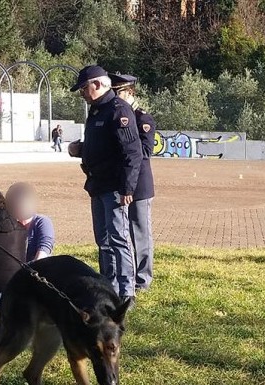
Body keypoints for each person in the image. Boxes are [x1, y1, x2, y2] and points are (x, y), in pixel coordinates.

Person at [67, 65, 143, 302]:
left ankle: (126, 292)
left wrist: (127, 189)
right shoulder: (97, 110)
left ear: (97, 85)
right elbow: (103, 147)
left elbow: (132, 153)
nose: (82, 94)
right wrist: (80, 150)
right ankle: (107, 289)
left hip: (114, 188)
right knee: (103, 241)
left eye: (84, 88)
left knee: (119, 239)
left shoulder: (118, 110)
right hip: (97, 185)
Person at [110, 73, 155, 291]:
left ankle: (143, 279)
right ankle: (124, 275)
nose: (115, 97)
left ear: (130, 92)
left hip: (139, 184)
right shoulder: (115, 115)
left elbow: (145, 152)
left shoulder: (142, 118)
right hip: (119, 182)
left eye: (118, 93)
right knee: (121, 232)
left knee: (140, 232)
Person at [5, 182, 55, 262]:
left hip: (37, 270)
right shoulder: (8, 224)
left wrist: (30, 269)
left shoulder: (42, 222)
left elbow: (44, 250)